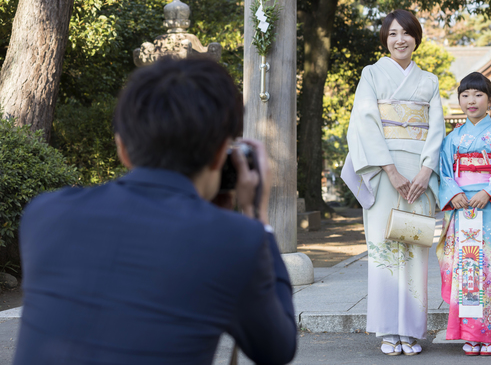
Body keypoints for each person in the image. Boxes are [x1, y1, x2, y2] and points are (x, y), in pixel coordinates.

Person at [13, 58, 297, 365]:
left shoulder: (44, 213)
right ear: (219, 156)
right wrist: (256, 217)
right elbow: (276, 350)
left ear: (122, 148)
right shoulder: (236, 240)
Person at [345, 9, 445, 355]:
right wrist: (391, 170)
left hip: (419, 175)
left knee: (415, 248)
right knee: (385, 249)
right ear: (385, 40)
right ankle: (389, 330)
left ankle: (411, 332)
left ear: (416, 38)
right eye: (392, 34)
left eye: (406, 33)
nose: (400, 39)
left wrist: (426, 171)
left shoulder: (429, 81)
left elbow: (437, 130)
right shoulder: (371, 74)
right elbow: (364, 123)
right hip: (385, 173)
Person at [437, 72, 491, 356]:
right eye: (465, 95)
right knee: (465, 270)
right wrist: (453, 194)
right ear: (459, 100)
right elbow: (444, 173)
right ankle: (469, 334)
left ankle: (489, 333)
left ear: (490, 100)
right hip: (462, 209)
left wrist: (488, 193)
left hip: (490, 212)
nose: (471, 100)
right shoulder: (452, 139)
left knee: (488, 270)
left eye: (477, 95)